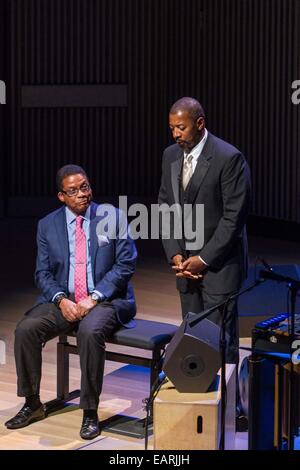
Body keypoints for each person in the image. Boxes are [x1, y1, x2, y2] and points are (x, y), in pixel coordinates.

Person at [5, 164, 137, 440]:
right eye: (74, 191)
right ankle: (32, 403)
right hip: (64, 300)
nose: (82, 195)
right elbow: (42, 272)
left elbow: (125, 264)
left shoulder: (110, 217)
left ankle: (89, 410)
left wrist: (95, 297)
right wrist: (61, 299)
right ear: (61, 196)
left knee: (89, 332)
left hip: (106, 300)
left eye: (85, 187)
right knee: (26, 329)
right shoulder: (47, 225)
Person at [158, 97, 251, 422]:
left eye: (180, 127)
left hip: (220, 266)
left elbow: (233, 219)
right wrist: (176, 254)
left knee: (221, 336)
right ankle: (199, 401)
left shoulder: (228, 158)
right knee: (193, 333)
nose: (175, 134)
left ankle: (230, 408)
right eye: (171, 128)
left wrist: (203, 258)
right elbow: (165, 206)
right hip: (186, 267)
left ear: (199, 123)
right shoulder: (171, 156)